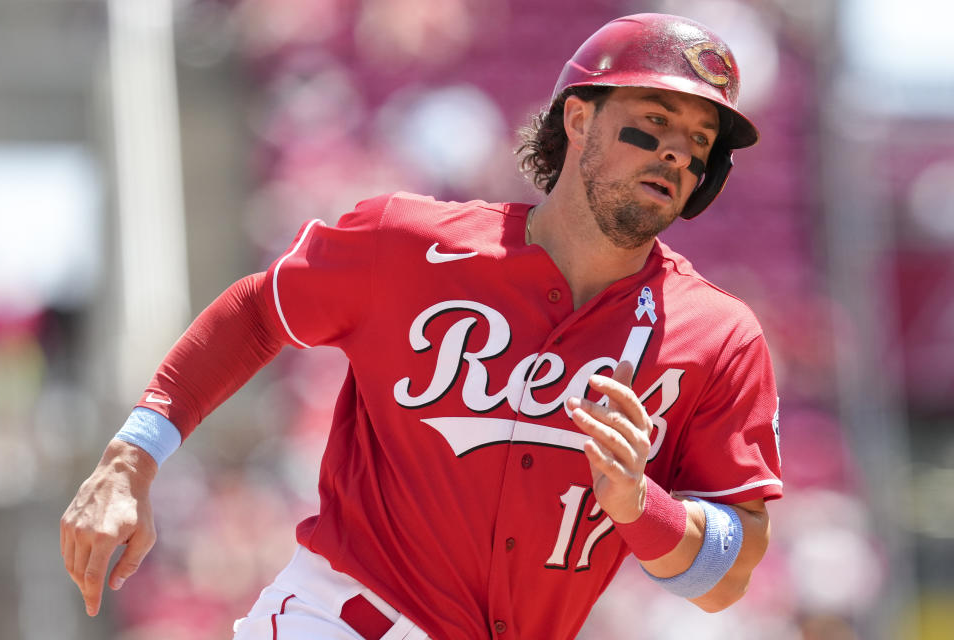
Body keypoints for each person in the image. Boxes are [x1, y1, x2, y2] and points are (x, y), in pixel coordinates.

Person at [61, 13, 782, 640]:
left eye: (698, 139)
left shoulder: (717, 338)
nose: (676, 152)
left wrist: (639, 505)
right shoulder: (409, 243)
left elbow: (726, 576)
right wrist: (133, 457)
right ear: (580, 117)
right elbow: (259, 311)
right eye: (654, 119)